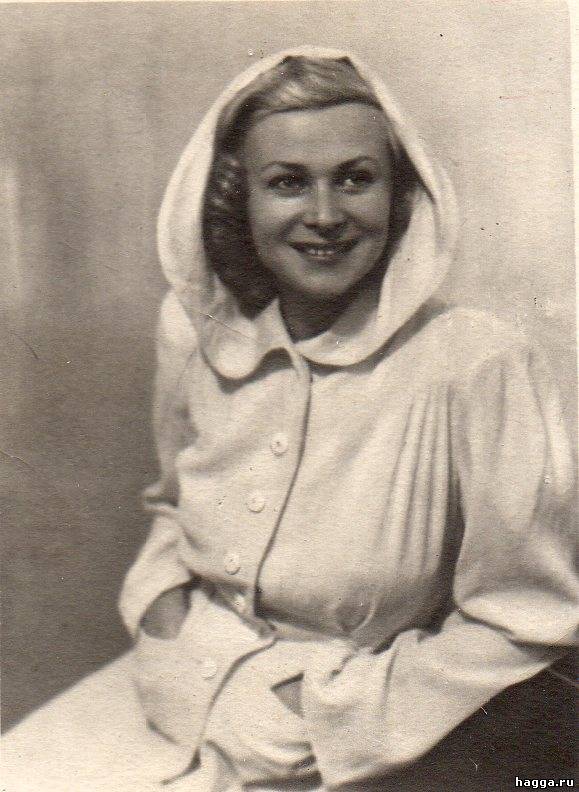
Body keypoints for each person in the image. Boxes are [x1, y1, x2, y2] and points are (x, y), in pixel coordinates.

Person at [2, 46, 576, 792]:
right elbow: (171, 506)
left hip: (341, 752)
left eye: (356, 178)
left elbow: (528, 618)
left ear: (400, 195)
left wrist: (321, 713)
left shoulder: (475, 362)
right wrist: (162, 617)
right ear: (236, 200)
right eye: (287, 183)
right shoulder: (193, 331)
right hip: (161, 695)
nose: (326, 215)